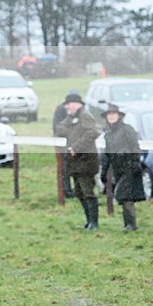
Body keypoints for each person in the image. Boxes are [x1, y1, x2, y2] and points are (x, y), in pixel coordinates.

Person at [55, 92, 100, 230]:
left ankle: (94, 222)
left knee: (88, 192)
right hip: (75, 161)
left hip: (86, 160)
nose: (67, 107)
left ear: (76, 104)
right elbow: (60, 129)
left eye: (68, 104)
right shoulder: (72, 118)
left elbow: (93, 132)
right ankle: (88, 221)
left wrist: (76, 147)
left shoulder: (85, 115)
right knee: (79, 192)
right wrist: (67, 122)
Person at [100, 104, 145, 231]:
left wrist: (135, 163)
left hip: (129, 167)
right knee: (124, 196)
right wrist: (104, 171)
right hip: (117, 168)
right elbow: (107, 154)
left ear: (119, 116)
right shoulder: (107, 133)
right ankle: (128, 224)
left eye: (114, 114)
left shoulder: (127, 129)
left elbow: (135, 147)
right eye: (109, 114)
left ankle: (131, 224)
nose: (111, 116)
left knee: (124, 195)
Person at [52, 89, 80, 198]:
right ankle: (67, 191)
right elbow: (56, 127)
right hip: (63, 143)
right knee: (65, 168)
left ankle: (78, 190)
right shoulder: (60, 109)